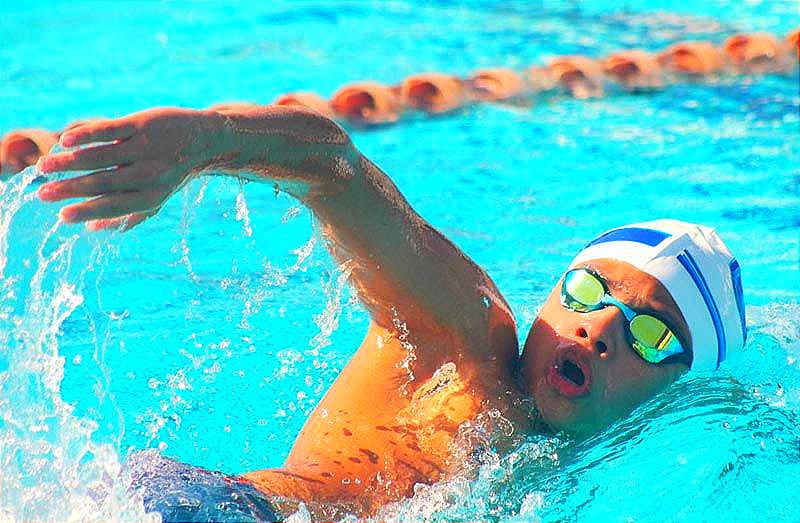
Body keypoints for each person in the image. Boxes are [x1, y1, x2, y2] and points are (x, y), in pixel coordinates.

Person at [33, 105, 746, 521]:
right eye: (589, 291)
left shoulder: (577, 460)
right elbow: (336, 168)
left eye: (651, 333)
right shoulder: (471, 331)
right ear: (552, 296)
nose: (601, 328)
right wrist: (205, 141)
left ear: (674, 390)